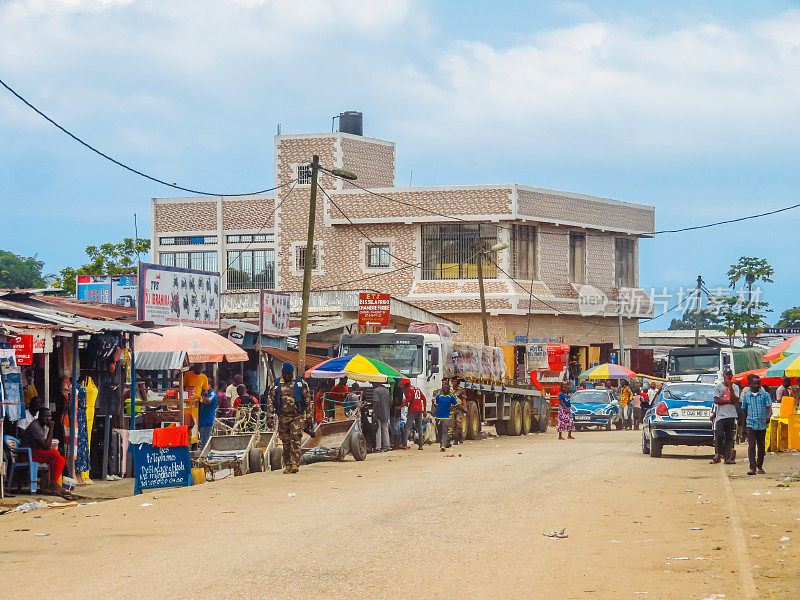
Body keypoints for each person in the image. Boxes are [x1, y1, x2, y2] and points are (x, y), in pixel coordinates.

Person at [267, 363, 311, 474]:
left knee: (295, 438)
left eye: (289, 373)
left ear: (292, 373)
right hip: (282, 417)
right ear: (282, 373)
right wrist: (270, 417)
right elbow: (270, 400)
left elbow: (307, 400)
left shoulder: (301, 383)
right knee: (286, 441)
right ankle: (288, 464)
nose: (287, 375)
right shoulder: (276, 384)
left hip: (297, 416)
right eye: (285, 373)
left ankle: (295, 463)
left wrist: (309, 417)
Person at [21, 407, 70, 497]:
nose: (48, 419)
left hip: (35, 452)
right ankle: (52, 485)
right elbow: (46, 447)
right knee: (54, 455)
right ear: (40, 416)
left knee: (61, 459)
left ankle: (53, 483)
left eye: (49, 416)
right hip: (27, 454)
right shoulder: (36, 427)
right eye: (45, 417)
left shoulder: (40, 424)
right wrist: (51, 429)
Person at [741, 375, 772, 475]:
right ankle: (752, 468)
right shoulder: (746, 396)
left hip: (762, 424)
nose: (757, 385)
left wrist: (768, 416)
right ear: (750, 384)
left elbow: (769, 408)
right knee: (751, 446)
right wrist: (743, 427)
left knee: (761, 446)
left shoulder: (765, 395)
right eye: (755, 383)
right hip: (750, 423)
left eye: (759, 383)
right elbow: (744, 411)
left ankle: (760, 466)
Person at [711, 370, 740, 465]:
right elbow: (716, 400)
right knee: (719, 435)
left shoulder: (735, 387)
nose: (728, 376)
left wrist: (730, 387)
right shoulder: (718, 387)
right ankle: (718, 454)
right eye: (727, 375)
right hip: (720, 416)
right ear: (724, 375)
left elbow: (735, 400)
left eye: (730, 375)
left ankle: (727, 458)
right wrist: (728, 401)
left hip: (731, 415)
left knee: (729, 437)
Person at [432, 380, 459, 451]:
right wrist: (433, 414)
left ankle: (443, 445)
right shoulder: (438, 396)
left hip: (446, 417)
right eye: (444, 388)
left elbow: (457, 405)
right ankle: (442, 443)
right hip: (438, 417)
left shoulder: (451, 397)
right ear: (442, 388)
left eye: (447, 388)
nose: (446, 389)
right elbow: (435, 406)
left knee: (445, 431)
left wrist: (465, 411)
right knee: (439, 432)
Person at [402, 381, 427, 450]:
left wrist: (404, 404)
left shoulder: (408, 390)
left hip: (412, 410)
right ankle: (421, 445)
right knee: (420, 427)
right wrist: (424, 410)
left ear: (405, 386)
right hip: (419, 410)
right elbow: (424, 398)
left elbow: (409, 398)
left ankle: (404, 444)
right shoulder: (417, 389)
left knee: (408, 427)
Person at [197, 381, 218, 451]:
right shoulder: (203, 394)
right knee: (200, 440)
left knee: (204, 441)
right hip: (201, 420)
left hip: (207, 420)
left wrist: (205, 395)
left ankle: (204, 456)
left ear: (210, 386)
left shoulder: (212, 394)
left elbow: (207, 401)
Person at [371, 381, 391, 452]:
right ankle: (387, 446)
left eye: (373, 383)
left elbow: (376, 402)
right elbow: (390, 402)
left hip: (378, 413)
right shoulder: (386, 390)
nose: (372, 385)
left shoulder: (376, 391)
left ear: (377, 383)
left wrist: (374, 411)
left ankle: (378, 447)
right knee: (385, 429)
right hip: (386, 413)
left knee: (378, 429)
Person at [449, 379, 467, 445]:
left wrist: (465, 408)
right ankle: (455, 439)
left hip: (459, 409)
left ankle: (460, 438)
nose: (453, 383)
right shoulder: (449, 390)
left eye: (455, 382)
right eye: (453, 381)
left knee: (459, 424)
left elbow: (464, 399)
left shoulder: (461, 390)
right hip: (451, 409)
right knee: (452, 424)